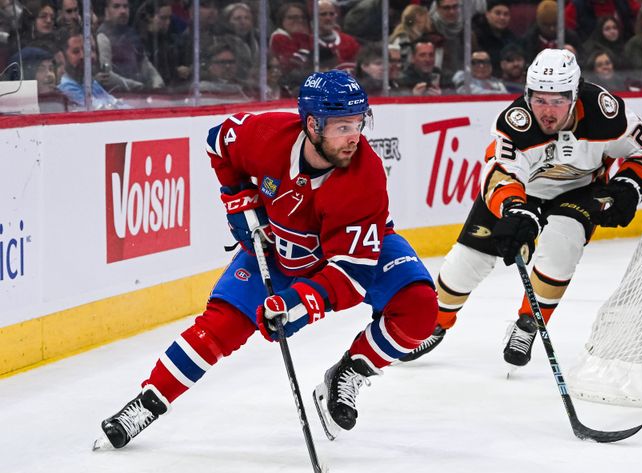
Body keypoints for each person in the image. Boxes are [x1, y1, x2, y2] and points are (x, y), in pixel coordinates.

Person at [96, 70, 437, 449]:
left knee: (419, 307)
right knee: (219, 326)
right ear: (312, 124)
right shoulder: (267, 136)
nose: (354, 136)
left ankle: (350, 370)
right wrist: (237, 196)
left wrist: (296, 306)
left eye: (359, 123)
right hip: (278, 247)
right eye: (342, 126)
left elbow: (351, 276)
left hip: (353, 252)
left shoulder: (365, 177)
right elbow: (218, 142)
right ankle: (150, 401)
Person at [401, 49, 642, 368]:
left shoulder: (607, 114)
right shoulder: (515, 124)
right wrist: (514, 208)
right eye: (539, 99)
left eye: (557, 100)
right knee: (468, 260)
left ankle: (528, 324)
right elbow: (500, 173)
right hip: (523, 192)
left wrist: (629, 186)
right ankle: (434, 323)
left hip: (581, 191)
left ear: (575, 94)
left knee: (562, 244)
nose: (547, 111)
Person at [56, 26, 125, 109]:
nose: (83, 56)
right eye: (76, 52)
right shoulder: (67, 88)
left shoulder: (90, 83)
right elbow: (99, 110)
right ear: (62, 57)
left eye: (87, 50)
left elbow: (117, 103)